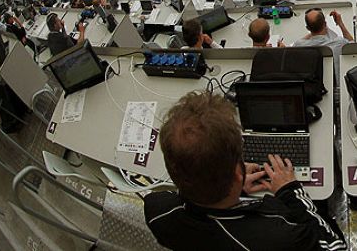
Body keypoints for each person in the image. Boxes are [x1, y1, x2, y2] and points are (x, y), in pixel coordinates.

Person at [143, 92, 345, 250]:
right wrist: (290, 190)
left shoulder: (156, 210)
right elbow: (336, 246)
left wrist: (236, 188)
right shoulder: (283, 237)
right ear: (239, 173)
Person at [293, 9, 353, 78]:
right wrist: (340, 24)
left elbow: (300, 41)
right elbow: (352, 44)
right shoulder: (339, 43)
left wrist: (313, 29)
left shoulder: (299, 46)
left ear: (307, 28)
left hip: (311, 84)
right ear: (325, 24)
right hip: (334, 84)